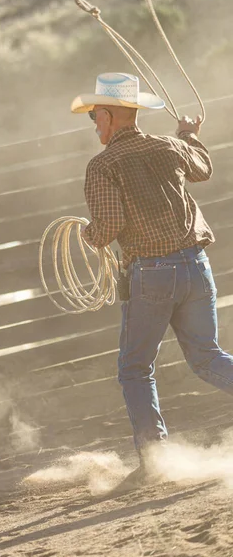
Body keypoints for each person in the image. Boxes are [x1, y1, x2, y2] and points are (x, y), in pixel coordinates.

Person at [71, 72, 233, 482]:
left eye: (94, 117)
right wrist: (188, 135)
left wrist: (85, 233)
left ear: (107, 115)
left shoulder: (103, 165)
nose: (94, 127)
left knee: (135, 368)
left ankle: (155, 460)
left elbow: (107, 227)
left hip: (153, 275)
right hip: (196, 266)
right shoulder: (168, 146)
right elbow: (203, 168)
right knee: (207, 357)